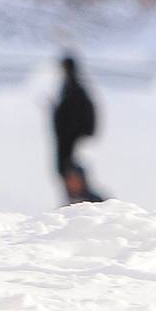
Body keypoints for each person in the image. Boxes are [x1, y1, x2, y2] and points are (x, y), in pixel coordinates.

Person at [52, 51, 105, 204]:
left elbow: (78, 113)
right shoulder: (70, 86)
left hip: (70, 137)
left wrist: (73, 131)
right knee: (65, 168)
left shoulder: (74, 88)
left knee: (67, 167)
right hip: (67, 136)